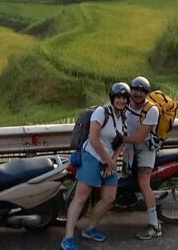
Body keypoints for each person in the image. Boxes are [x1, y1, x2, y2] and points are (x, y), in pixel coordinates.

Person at [62, 82, 130, 250]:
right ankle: (67, 238)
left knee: (109, 197)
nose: (121, 101)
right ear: (112, 98)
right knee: (81, 198)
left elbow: (122, 141)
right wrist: (108, 159)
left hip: (107, 159)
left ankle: (90, 228)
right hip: (91, 156)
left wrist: (112, 161)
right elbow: (93, 138)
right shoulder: (102, 112)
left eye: (124, 98)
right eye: (118, 97)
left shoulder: (123, 117)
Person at [123, 76, 162, 240]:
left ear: (146, 93)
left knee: (143, 183)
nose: (137, 93)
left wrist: (118, 140)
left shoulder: (151, 109)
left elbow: (139, 137)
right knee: (125, 175)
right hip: (128, 145)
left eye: (142, 91)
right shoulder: (124, 103)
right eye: (135, 89)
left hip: (145, 147)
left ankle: (155, 225)